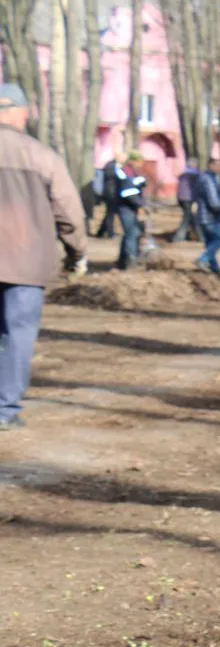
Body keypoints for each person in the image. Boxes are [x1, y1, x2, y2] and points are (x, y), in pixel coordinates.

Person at [0, 83, 88, 431]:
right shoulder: (41, 156)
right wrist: (77, 250)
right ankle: (5, 409)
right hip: (26, 261)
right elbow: (68, 211)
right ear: (20, 113)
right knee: (18, 335)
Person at [109, 155, 149, 270]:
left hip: (131, 208)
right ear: (133, 161)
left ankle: (122, 261)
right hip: (126, 208)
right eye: (139, 161)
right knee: (132, 234)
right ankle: (131, 262)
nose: (141, 164)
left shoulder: (133, 172)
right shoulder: (125, 172)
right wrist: (140, 205)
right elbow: (128, 192)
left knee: (129, 234)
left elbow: (137, 185)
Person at [193, 157, 220, 276]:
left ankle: (214, 267)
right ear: (210, 165)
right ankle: (202, 260)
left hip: (204, 216)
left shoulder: (207, 178)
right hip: (209, 216)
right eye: (218, 165)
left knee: (210, 242)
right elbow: (213, 200)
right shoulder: (208, 179)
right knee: (219, 239)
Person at [165, 158, 202, 243]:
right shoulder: (195, 174)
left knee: (191, 218)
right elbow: (197, 188)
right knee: (187, 218)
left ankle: (199, 236)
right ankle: (179, 238)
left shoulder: (183, 174)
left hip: (181, 198)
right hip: (189, 199)